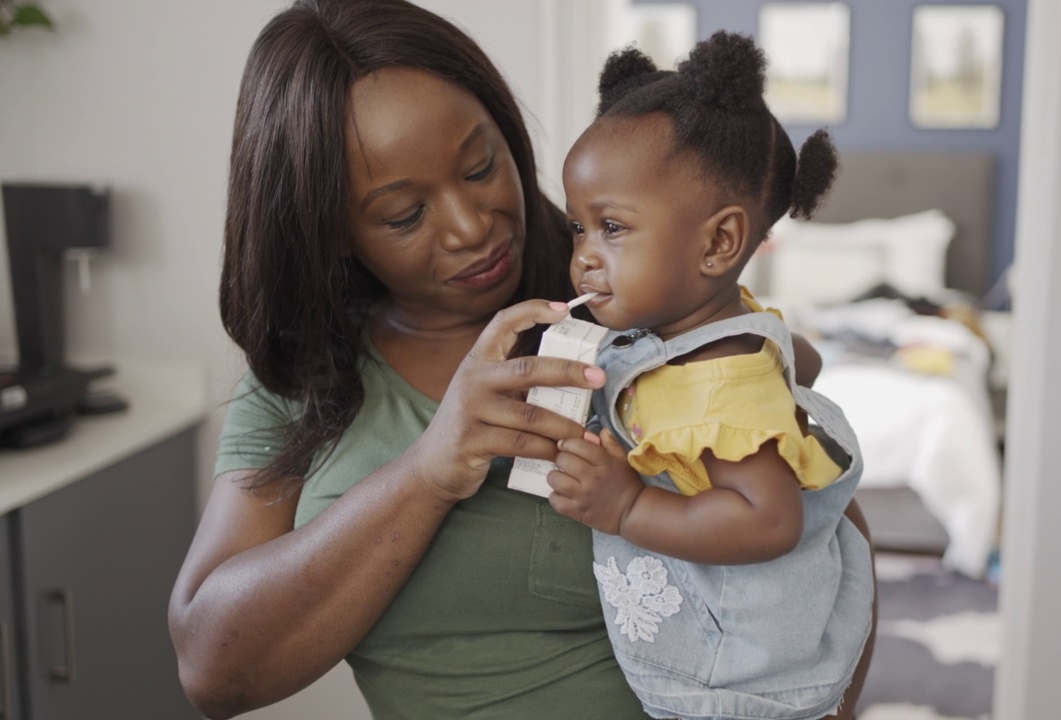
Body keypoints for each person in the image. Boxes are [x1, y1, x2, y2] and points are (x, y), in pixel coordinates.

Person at [168, 2, 875, 719]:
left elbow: (828, 539)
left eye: (480, 168)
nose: (473, 227)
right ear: (331, 232)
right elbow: (212, 672)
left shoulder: (645, 316)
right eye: (404, 215)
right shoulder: (303, 377)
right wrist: (429, 470)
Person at [544, 34, 874, 720]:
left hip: (736, 686)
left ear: (719, 243)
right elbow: (795, 356)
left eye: (612, 228)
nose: (583, 258)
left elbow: (769, 518)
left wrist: (627, 507)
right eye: (578, 227)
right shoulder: (699, 335)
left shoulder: (716, 384)